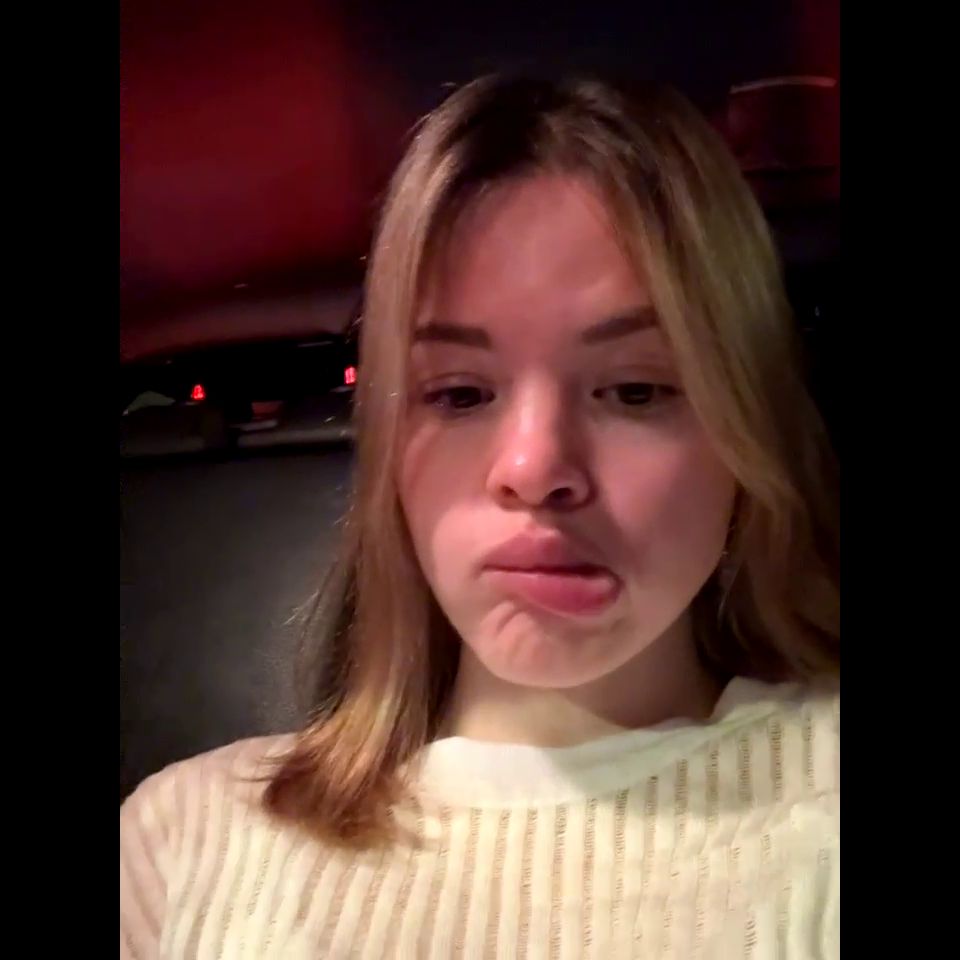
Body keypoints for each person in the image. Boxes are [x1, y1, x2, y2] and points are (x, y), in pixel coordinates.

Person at [120, 72, 839, 959]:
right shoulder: (182, 844)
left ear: (745, 429)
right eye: (459, 394)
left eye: (635, 389)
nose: (534, 471)